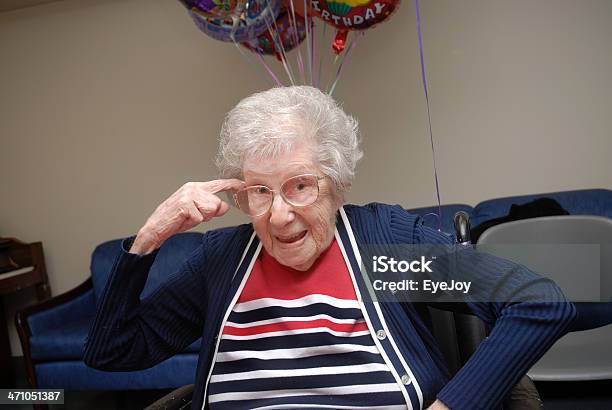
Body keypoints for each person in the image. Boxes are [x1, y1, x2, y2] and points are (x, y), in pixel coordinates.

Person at [84, 86, 578, 410]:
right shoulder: (223, 260)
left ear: (337, 183)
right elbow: (112, 352)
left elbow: (539, 302)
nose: (278, 215)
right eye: (259, 191)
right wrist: (147, 241)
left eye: (300, 185)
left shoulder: (382, 254)